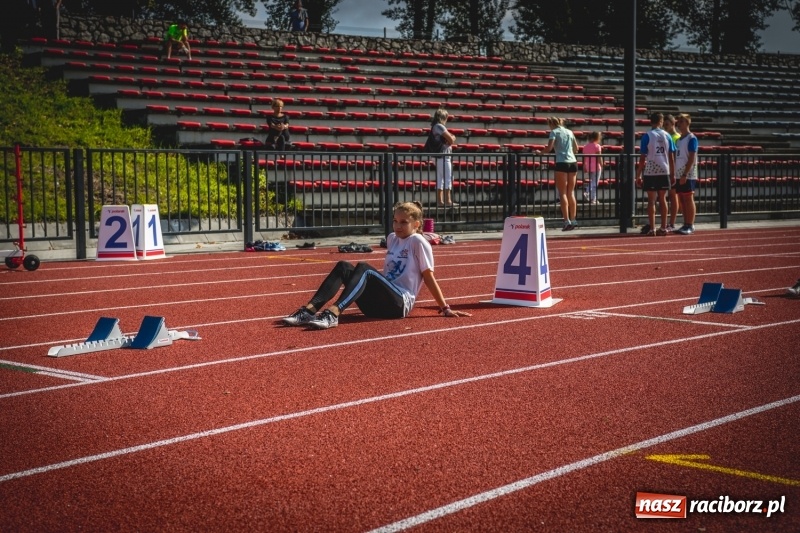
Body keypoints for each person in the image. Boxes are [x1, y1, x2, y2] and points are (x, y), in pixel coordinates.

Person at [282, 201, 471, 329]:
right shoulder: (392, 239)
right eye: (395, 221)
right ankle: (308, 311)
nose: (397, 226)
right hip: (378, 303)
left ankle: (333, 313)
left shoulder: (418, 242)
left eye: (404, 222)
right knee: (343, 266)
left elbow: (428, 276)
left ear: (417, 224)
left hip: (398, 304)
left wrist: (445, 308)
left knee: (364, 268)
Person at [635, 112, 676, 236]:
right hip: (664, 169)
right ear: (661, 122)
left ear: (651, 122)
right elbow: (671, 156)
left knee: (651, 200)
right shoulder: (667, 136)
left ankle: (652, 228)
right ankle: (663, 227)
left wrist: (638, 175)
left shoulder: (647, 136)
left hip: (651, 171)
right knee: (663, 199)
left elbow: (642, 158)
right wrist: (673, 174)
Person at [537, 117, 579, 231]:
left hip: (561, 162)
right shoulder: (570, 132)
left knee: (562, 193)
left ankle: (566, 221)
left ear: (551, 124)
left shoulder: (554, 132)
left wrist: (540, 153)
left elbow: (549, 148)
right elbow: (576, 148)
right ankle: (574, 219)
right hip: (573, 162)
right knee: (571, 192)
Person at [674, 113, 699, 235]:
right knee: (682, 199)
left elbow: (691, 158)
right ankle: (685, 223)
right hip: (679, 172)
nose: (679, 124)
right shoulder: (678, 140)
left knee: (688, 198)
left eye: (682, 121)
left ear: (688, 123)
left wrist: (685, 174)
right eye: (678, 122)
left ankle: (691, 224)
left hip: (687, 172)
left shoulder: (691, 138)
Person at [429, 108, 457, 207]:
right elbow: (451, 139)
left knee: (440, 179)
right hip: (443, 156)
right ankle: (448, 200)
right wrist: (452, 137)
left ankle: (440, 201)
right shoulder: (439, 126)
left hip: (439, 156)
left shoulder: (435, 126)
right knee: (448, 177)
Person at [663, 114, 682, 231]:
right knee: (666, 196)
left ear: (673, 124)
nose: (665, 127)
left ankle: (672, 222)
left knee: (673, 196)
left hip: (673, 170)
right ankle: (667, 222)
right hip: (666, 169)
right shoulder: (665, 136)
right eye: (664, 125)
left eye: (667, 125)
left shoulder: (676, 137)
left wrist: (673, 172)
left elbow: (676, 156)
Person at [582, 131, 603, 205]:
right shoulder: (597, 146)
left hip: (589, 166)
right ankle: (588, 193)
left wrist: (584, 165)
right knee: (595, 182)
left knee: (592, 181)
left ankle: (593, 198)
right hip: (596, 166)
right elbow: (599, 157)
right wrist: (602, 164)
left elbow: (584, 157)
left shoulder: (585, 146)